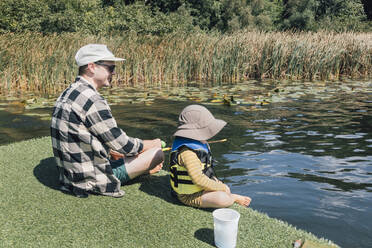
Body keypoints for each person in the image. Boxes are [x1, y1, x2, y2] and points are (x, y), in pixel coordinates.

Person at [50, 44, 164, 197]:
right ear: (91, 67)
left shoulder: (68, 92)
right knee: (157, 154)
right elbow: (124, 145)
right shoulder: (93, 100)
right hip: (91, 181)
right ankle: (146, 166)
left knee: (120, 151)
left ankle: (142, 167)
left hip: (68, 176)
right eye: (110, 68)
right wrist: (153, 143)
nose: (114, 72)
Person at [169, 104, 251, 208]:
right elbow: (198, 179)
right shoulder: (188, 152)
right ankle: (233, 197)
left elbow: (205, 170)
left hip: (199, 187)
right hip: (189, 195)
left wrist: (217, 183)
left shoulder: (197, 144)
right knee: (223, 199)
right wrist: (220, 187)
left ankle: (226, 193)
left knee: (224, 189)